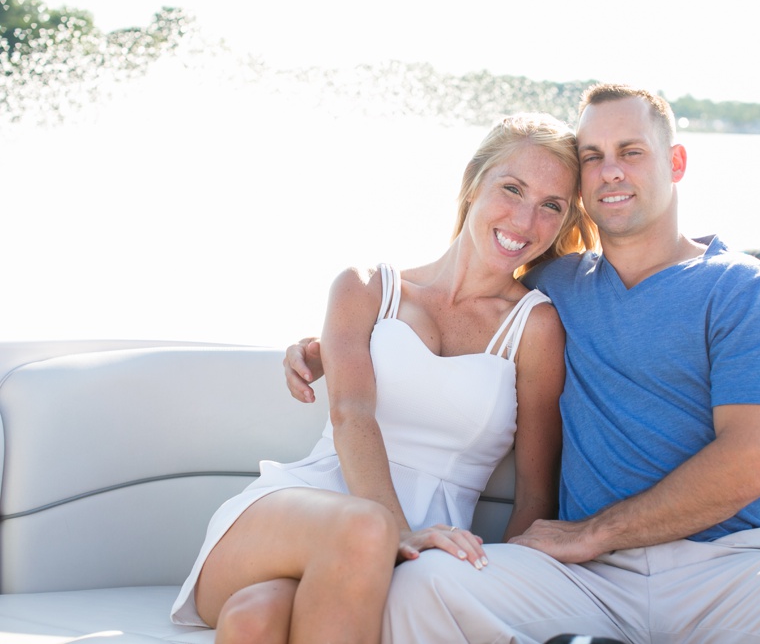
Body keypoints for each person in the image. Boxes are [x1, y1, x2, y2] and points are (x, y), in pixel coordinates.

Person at [284, 85, 760, 643]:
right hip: (583, 582)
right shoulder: (555, 284)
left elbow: (752, 458)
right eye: (593, 156)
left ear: (675, 161)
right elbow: (461, 292)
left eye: (631, 151)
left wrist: (594, 532)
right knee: (420, 587)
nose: (610, 170)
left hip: (726, 569)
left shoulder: (744, 289)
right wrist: (335, 345)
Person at [171, 112, 598, 644]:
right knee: (364, 529)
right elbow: (351, 413)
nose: (524, 219)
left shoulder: (535, 327)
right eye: (512, 188)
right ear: (472, 183)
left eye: (551, 206)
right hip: (298, 513)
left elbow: (536, 491)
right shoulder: (367, 286)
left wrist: (501, 585)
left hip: (422, 555)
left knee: (256, 618)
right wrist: (395, 528)